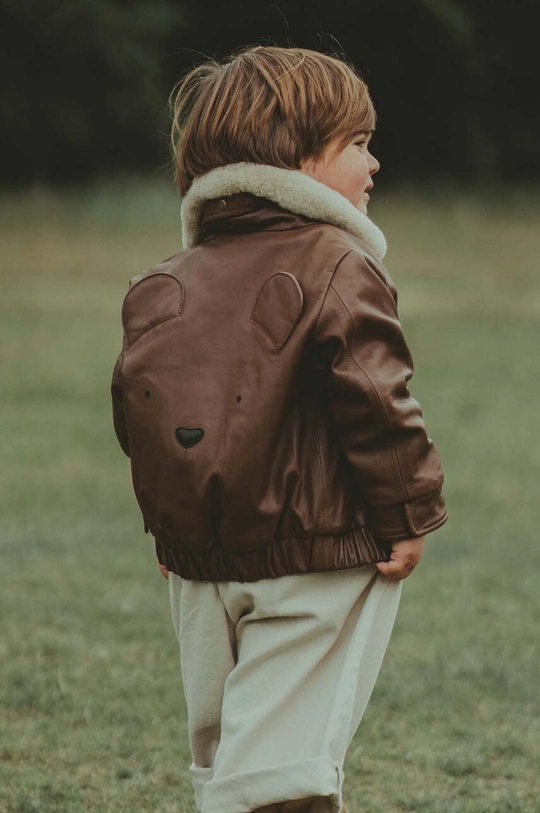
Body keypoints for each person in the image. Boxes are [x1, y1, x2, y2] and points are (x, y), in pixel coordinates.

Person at [110, 44, 448, 813]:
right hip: (318, 556)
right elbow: (376, 395)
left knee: (227, 749)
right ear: (294, 156)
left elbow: (141, 406)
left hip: (202, 568)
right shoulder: (337, 261)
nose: (375, 163)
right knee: (281, 770)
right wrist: (410, 512)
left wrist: (176, 525)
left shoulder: (167, 279)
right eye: (357, 144)